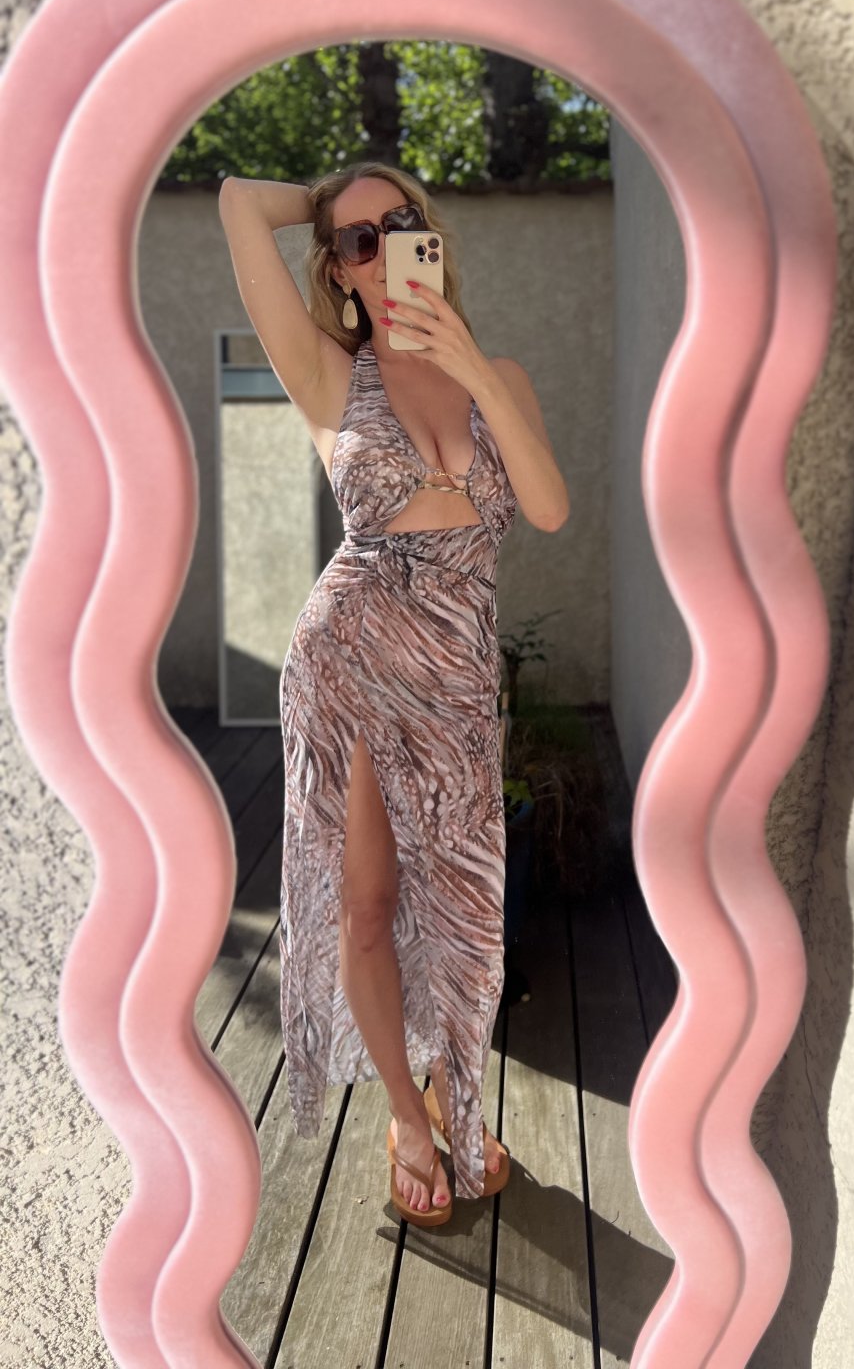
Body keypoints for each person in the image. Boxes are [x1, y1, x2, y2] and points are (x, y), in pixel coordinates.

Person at [217, 161, 568, 1226]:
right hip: (354, 665)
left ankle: (463, 1097)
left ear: (433, 235)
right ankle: (411, 1118)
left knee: (463, 913)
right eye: (358, 240)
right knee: (368, 905)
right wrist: (328, 193)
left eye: (401, 223)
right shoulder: (328, 373)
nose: (382, 248)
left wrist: (471, 367)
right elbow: (236, 203)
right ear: (337, 267)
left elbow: (548, 509)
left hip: (455, 681)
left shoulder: (500, 373)